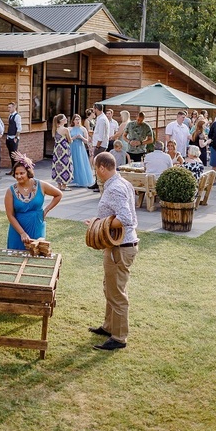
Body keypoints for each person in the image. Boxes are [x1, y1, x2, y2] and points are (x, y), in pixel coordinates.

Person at [87, 151, 138, 351]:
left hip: (120, 248)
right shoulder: (122, 183)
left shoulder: (115, 188)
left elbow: (126, 218)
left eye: (95, 168)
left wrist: (100, 224)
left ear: (101, 168)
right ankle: (109, 327)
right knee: (110, 288)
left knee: (117, 293)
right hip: (118, 247)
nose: (95, 172)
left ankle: (118, 338)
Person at [5, 153, 63, 250]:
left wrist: (46, 210)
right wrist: (22, 233)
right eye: (16, 174)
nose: (18, 176)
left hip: (37, 226)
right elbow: (10, 215)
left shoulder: (41, 185)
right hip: (18, 230)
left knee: (37, 254)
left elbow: (58, 194)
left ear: (28, 172)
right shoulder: (10, 191)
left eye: (22, 173)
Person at [69, 114, 94, 187]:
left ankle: (81, 180)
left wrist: (81, 137)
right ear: (73, 121)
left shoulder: (83, 129)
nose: (77, 121)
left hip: (80, 147)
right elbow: (67, 139)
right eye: (76, 119)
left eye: (78, 119)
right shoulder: (70, 129)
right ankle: (71, 179)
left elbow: (87, 141)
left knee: (80, 162)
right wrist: (74, 137)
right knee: (72, 162)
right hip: (72, 147)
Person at [51, 114, 74, 191]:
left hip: (57, 149)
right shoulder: (65, 129)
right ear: (61, 121)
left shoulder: (55, 129)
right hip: (64, 149)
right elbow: (70, 140)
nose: (66, 119)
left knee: (57, 165)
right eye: (65, 118)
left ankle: (59, 185)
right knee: (65, 165)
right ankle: (64, 185)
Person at [5, 102, 22, 174]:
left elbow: (19, 127)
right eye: (8, 107)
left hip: (13, 137)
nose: (8, 109)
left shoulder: (17, 116)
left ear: (14, 107)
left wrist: (16, 137)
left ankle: (15, 170)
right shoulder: (10, 116)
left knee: (14, 155)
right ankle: (13, 170)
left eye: (10, 107)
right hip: (9, 137)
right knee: (11, 154)